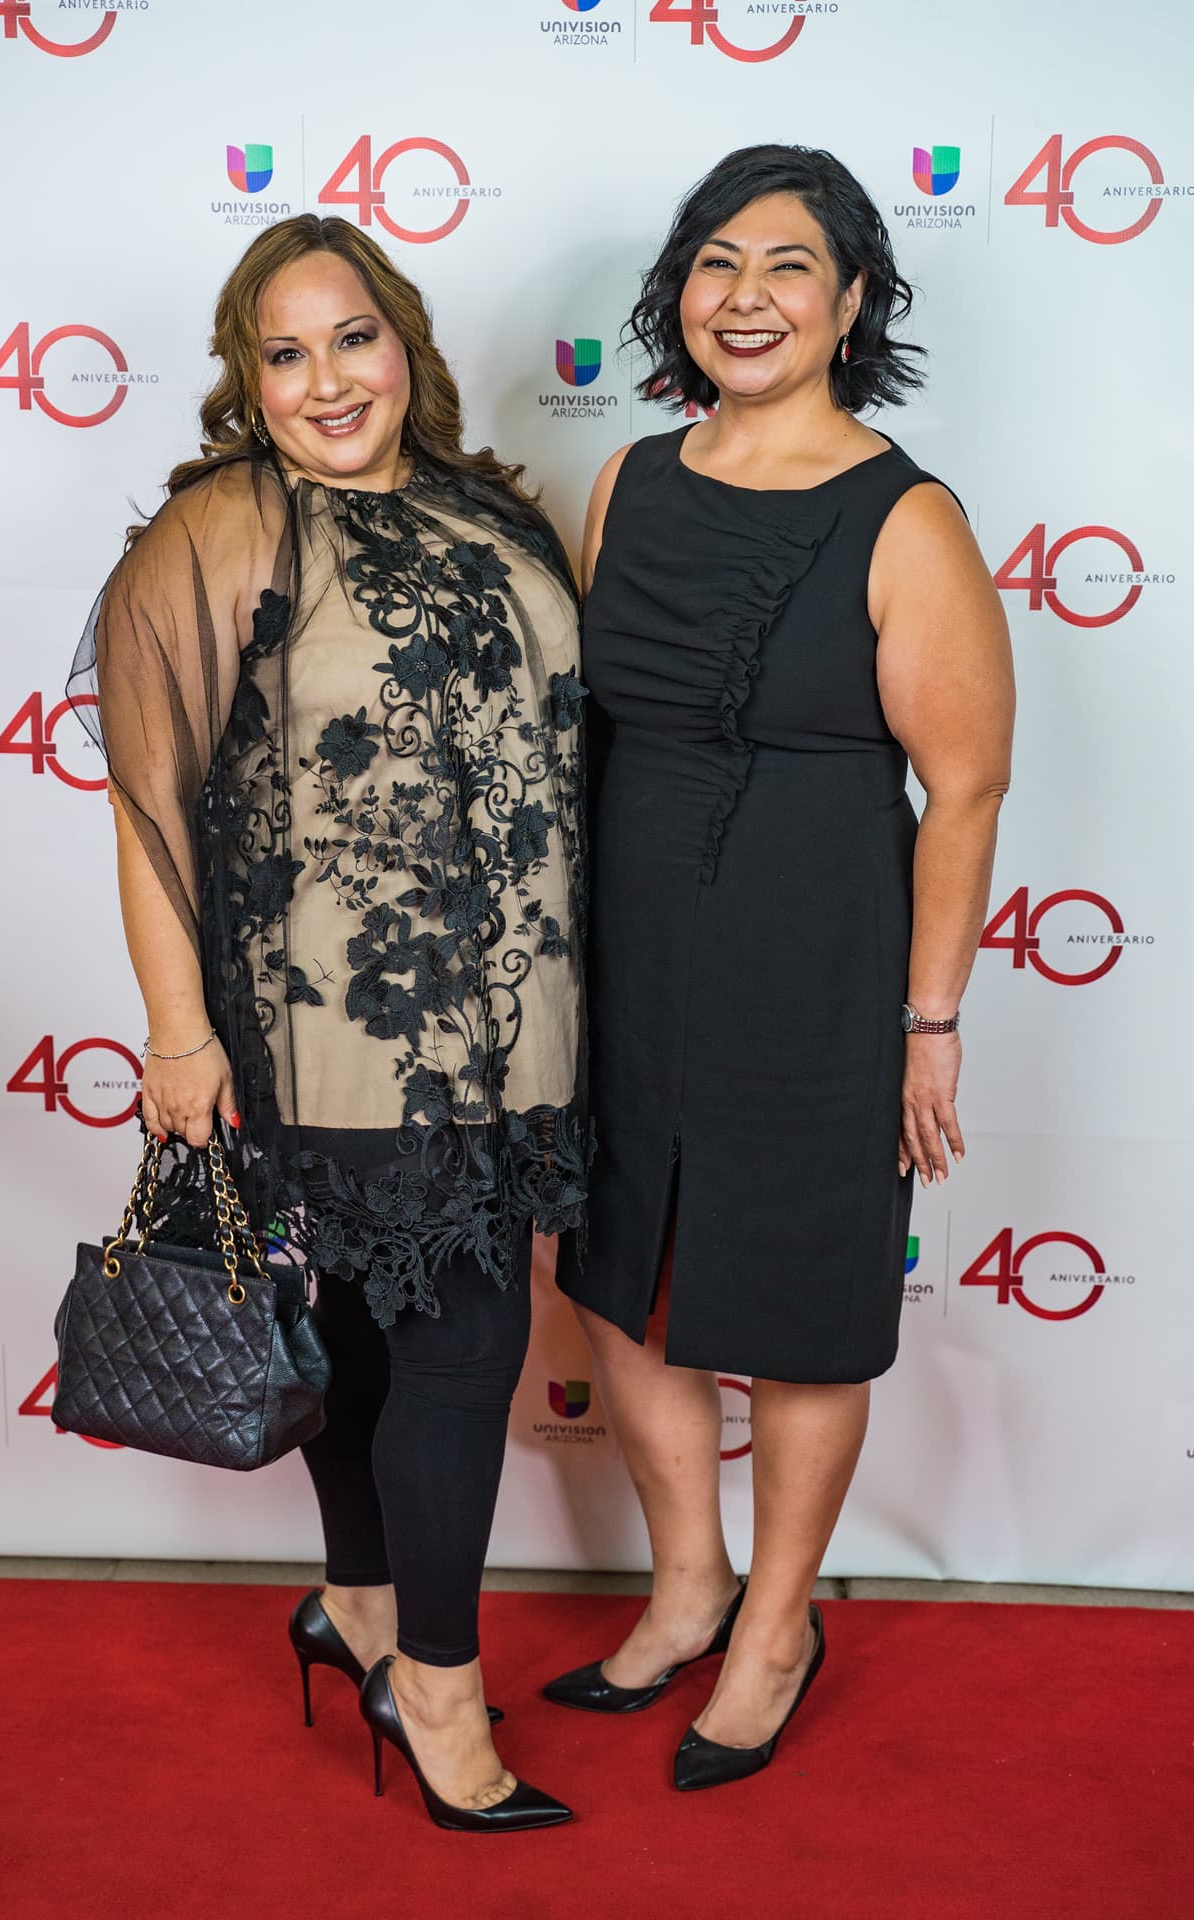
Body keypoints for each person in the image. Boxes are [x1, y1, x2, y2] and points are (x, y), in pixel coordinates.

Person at [71, 213, 590, 1832]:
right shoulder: (222, 531)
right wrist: (177, 1036)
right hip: (332, 1027)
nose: (324, 381)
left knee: (379, 1335)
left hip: (527, 1013)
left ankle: (360, 1605)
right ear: (246, 378)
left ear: (404, 341)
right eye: (281, 355)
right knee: (460, 1339)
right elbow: (146, 802)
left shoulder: (490, 509)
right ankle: (435, 1681)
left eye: (350, 338)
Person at [546, 145, 1015, 1791]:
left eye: (789, 267)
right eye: (717, 262)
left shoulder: (907, 516)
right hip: (629, 954)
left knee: (805, 1312)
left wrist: (929, 1023)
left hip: (819, 965)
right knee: (626, 1283)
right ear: (680, 291)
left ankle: (777, 1628)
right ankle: (687, 1590)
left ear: (852, 302)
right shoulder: (627, 484)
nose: (747, 297)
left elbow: (962, 785)